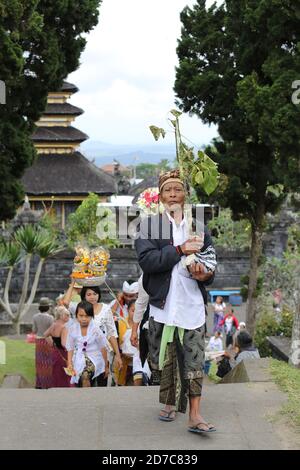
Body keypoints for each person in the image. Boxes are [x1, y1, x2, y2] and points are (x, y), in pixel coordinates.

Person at [135, 168, 216, 434]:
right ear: (160, 196)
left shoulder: (199, 229)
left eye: (177, 189)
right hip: (163, 307)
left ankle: (194, 414)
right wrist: (179, 250)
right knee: (165, 361)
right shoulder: (149, 227)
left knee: (193, 360)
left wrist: (204, 274)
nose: (173, 194)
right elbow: (147, 261)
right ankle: (169, 402)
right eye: (168, 190)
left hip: (192, 307)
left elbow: (211, 266)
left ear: (185, 195)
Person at [63, 282, 123, 385]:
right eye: (89, 294)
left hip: (102, 352)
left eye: (95, 294)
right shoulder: (79, 307)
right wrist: (72, 283)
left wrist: (117, 355)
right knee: (83, 380)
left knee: (101, 381)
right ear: (83, 296)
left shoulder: (105, 309)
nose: (92, 297)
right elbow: (65, 302)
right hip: (82, 352)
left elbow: (111, 333)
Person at [66, 301, 108, 387]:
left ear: (92, 316)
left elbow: (103, 348)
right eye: (81, 316)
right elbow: (70, 347)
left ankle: (87, 396)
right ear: (76, 315)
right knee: (80, 380)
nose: (84, 319)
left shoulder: (96, 330)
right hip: (79, 357)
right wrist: (70, 363)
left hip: (95, 357)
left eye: (87, 316)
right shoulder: (73, 329)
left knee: (85, 375)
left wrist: (106, 366)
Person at [114, 300, 151, 386]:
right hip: (124, 360)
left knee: (139, 380)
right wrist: (119, 355)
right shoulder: (120, 323)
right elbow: (114, 343)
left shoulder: (145, 325)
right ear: (128, 310)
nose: (135, 314)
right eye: (133, 311)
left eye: (139, 311)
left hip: (140, 357)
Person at [43, 306, 70, 388]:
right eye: (67, 315)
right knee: (65, 375)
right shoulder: (64, 328)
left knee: (56, 373)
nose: (69, 317)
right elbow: (64, 344)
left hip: (55, 353)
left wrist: (52, 344)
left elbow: (45, 335)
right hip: (63, 354)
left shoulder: (53, 325)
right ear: (62, 316)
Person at [32, 297, 54, 389]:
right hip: (48, 341)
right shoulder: (50, 318)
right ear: (48, 307)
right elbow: (52, 331)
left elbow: (34, 330)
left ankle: (39, 383)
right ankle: (48, 383)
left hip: (39, 341)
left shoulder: (35, 317)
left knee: (39, 362)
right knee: (48, 362)